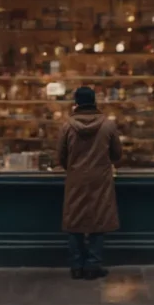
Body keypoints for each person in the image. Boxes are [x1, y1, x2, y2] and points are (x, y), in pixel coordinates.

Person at [57, 86, 122, 280]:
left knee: (74, 221)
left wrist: (74, 166)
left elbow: (61, 157)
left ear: (76, 103)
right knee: (98, 221)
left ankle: (77, 266)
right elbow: (117, 155)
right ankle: (93, 265)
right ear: (95, 102)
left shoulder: (67, 126)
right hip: (100, 179)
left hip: (76, 179)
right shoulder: (108, 125)